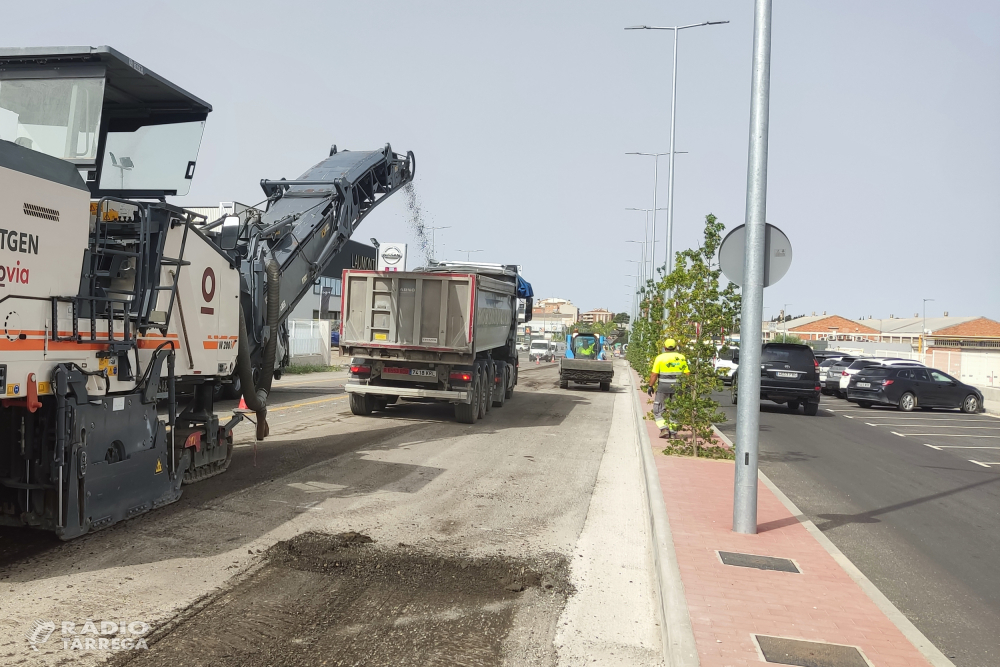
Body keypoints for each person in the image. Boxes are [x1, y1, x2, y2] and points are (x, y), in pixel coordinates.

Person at [647, 339, 689, 436]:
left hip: (663, 388)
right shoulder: (681, 357)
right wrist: (687, 386)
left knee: (658, 409)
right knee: (676, 409)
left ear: (664, 347)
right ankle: (673, 432)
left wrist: (650, 386)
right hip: (678, 388)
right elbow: (687, 373)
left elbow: (654, 374)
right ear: (675, 347)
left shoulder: (660, 358)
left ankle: (664, 429)